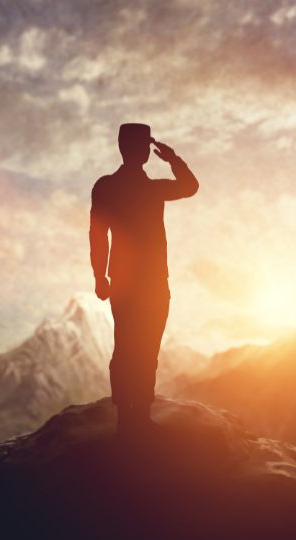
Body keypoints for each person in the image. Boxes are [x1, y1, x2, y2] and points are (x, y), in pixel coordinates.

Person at [89, 123, 199, 437]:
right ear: (144, 151)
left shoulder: (105, 186)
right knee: (144, 348)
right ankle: (138, 416)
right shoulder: (153, 189)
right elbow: (190, 186)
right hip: (150, 282)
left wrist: (101, 276)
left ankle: (130, 417)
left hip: (125, 281)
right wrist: (173, 158)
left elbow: (98, 236)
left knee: (128, 346)